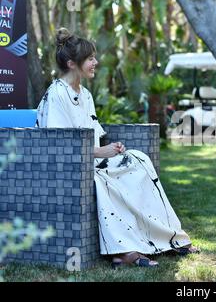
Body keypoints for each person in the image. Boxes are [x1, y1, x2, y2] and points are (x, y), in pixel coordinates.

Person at [36, 28, 199, 268]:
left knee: (138, 160)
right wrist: (101, 152)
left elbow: (94, 134)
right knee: (105, 179)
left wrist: (113, 148)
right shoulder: (56, 95)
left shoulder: (85, 94)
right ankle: (123, 251)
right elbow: (58, 145)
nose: (95, 62)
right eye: (90, 58)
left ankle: (168, 237)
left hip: (90, 160)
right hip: (66, 167)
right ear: (72, 63)